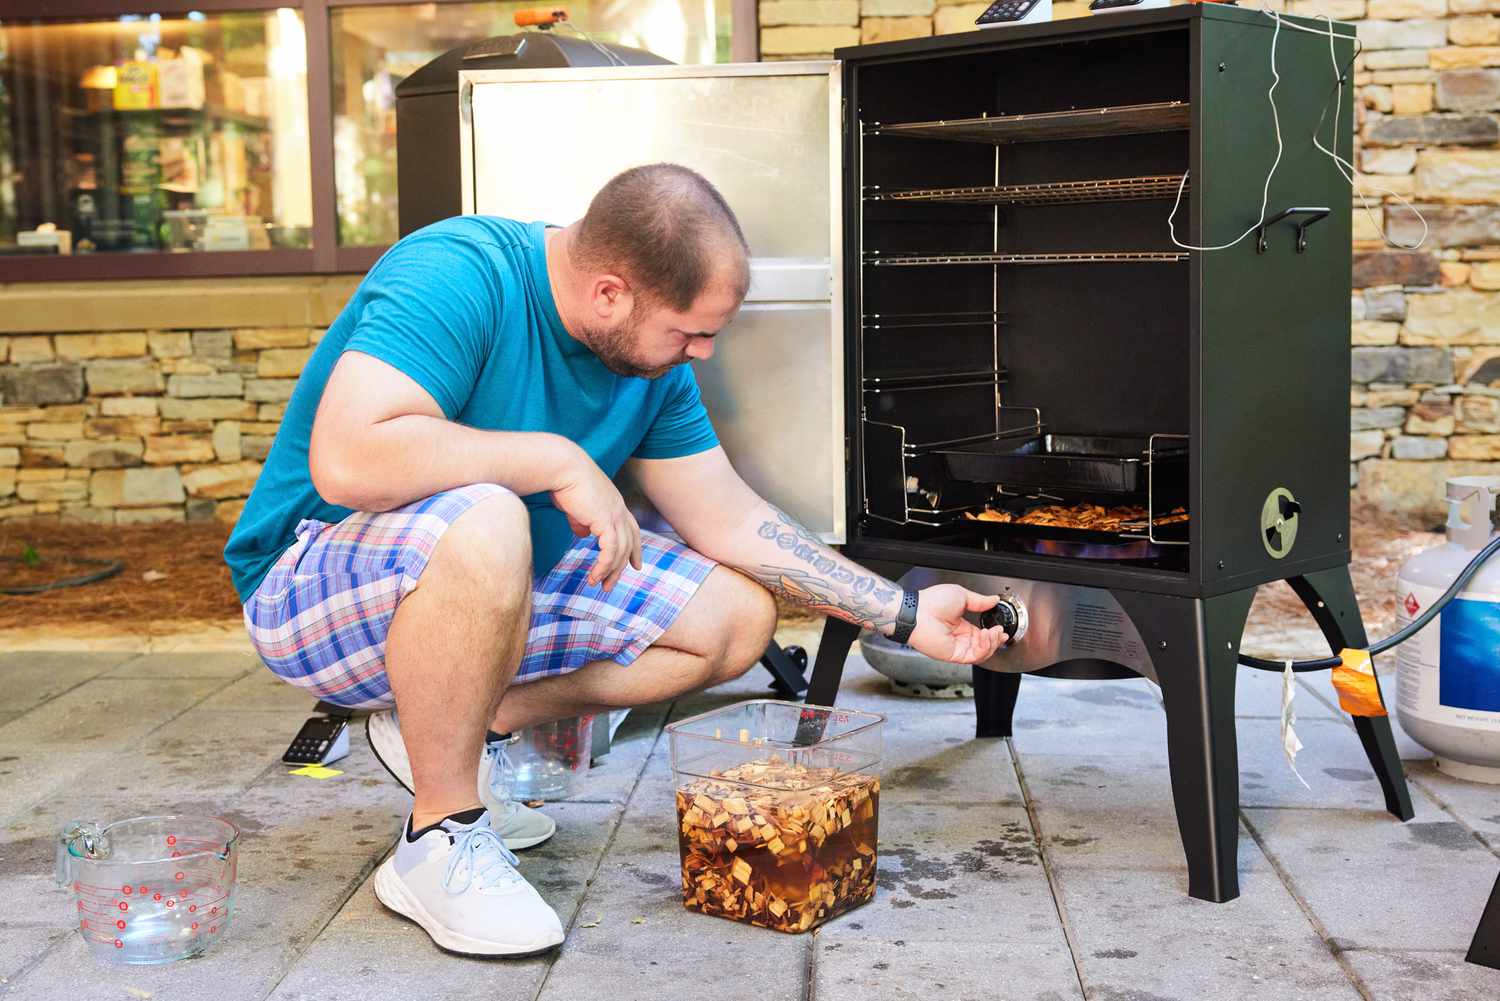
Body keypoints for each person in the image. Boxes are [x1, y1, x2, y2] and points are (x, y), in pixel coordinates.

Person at [224, 163, 1008, 958]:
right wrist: (557, 460)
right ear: (609, 293)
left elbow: (730, 517)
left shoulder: (650, 365)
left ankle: (461, 721)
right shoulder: (459, 271)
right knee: (492, 516)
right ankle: (440, 834)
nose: (701, 354)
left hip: (488, 574)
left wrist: (905, 616)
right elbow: (348, 459)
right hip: (308, 578)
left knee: (736, 620)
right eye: (691, 331)